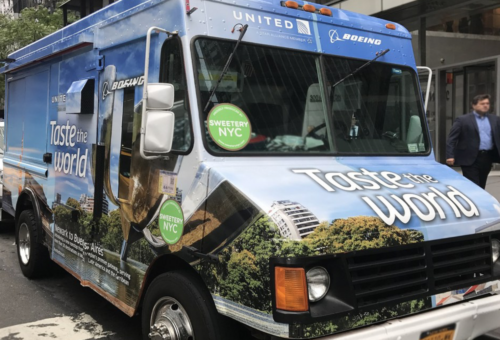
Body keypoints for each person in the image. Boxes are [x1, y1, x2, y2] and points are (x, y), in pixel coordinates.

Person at [446, 94, 500, 189]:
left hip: (487, 157)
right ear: (474, 105)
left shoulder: (494, 120)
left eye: (487, 103)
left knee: (482, 183)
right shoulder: (462, 120)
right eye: (482, 103)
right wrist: (450, 155)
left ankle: (478, 202)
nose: (485, 105)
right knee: (473, 184)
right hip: (468, 158)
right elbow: (452, 139)